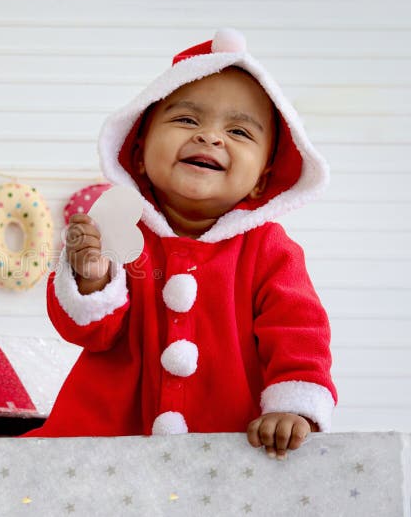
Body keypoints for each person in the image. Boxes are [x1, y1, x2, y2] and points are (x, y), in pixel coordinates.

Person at [25, 28, 337, 460]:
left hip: (231, 443)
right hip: (109, 441)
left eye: (240, 132)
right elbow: (90, 333)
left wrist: (291, 408)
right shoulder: (116, 225)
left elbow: (298, 333)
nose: (211, 137)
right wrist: (93, 279)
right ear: (138, 152)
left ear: (262, 178)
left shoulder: (270, 250)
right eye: (187, 120)